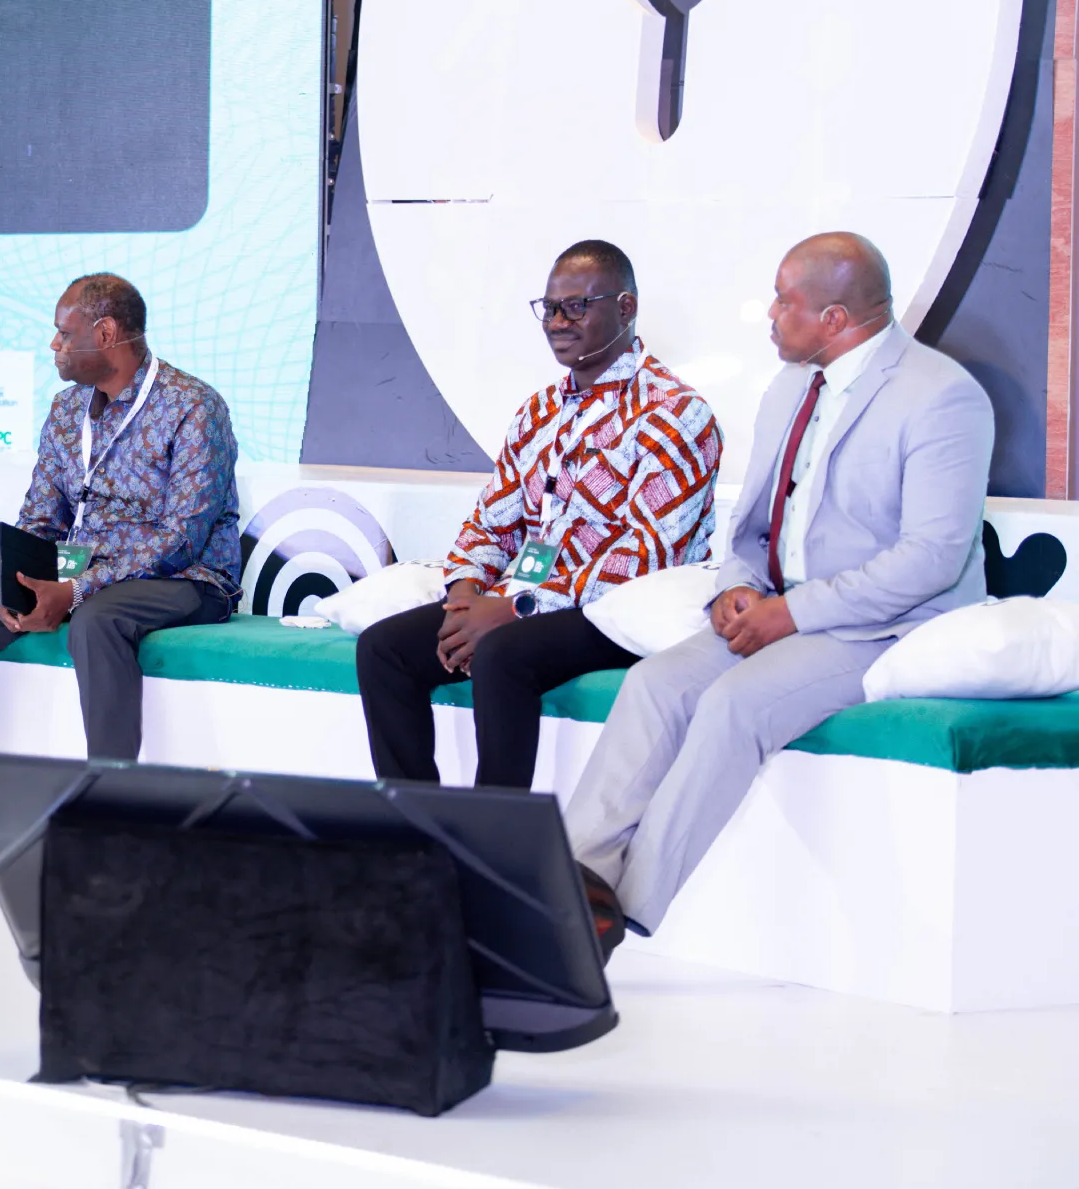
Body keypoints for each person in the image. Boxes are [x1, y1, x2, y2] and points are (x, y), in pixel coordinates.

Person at [563, 233, 995, 959]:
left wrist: (791, 613)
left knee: (734, 705)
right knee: (654, 685)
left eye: (783, 300)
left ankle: (612, 921)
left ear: (834, 317)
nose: (768, 313)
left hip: (883, 627)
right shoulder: (790, 387)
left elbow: (931, 559)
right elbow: (752, 526)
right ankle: (569, 890)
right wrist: (737, 588)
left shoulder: (941, 396)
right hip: (778, 610)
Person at [0, 273, 241, 854]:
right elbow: (41, 516)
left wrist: (77, 590)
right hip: (81, 570)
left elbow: (182, 537)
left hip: (185, 578)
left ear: (105, 333)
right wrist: (24, 581)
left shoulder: (192, 406)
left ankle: (111, 814)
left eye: (64, 333)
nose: (54, 345)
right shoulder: (67, 410)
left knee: (98, 620)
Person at [356, 241, 722, 790]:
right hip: (526, 597)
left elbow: (645, 559)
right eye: (549, 308)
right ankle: (416, 830)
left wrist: (515, 608)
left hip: (616, 610)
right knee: (384, 649)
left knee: (502, 652)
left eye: (576, 306)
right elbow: (491, 522)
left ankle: (497, 835)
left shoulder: (675, 413)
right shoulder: (539, 411)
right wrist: (464, 596)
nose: (557, 322)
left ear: (625, 308)